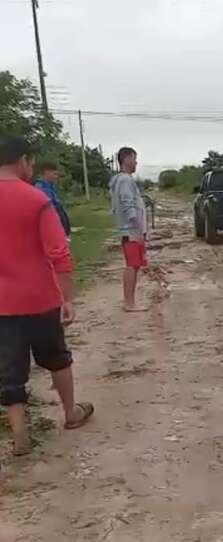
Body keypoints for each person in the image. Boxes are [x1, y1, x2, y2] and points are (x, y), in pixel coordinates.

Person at [0, 135, 94, 456]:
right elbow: (60, 253)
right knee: (57, 357)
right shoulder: (37, 200)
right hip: (41, 298)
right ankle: (70, 414)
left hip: (2, 304)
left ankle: (20, 434)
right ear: (23, 160)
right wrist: (67, 299)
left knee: (9, 371)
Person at [110, 147, 148, 311]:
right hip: (131, 230)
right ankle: (129, 303)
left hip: (130, 229)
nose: (136, 162)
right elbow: (128, 204)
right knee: (132, 265)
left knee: (135, 264)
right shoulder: (125, 180)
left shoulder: (120, 180)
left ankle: (130, 301)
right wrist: (139, 229)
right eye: (134, 158)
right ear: (126, 159)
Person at [34, 160, 71, 238]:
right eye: (54, 174)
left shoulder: (50, 188)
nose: (56, 177)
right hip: (52, 231)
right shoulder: (41, 189)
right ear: (46, 172)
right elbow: (50, 212)